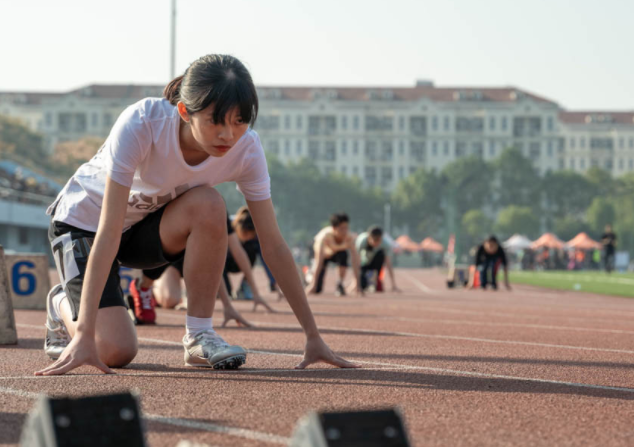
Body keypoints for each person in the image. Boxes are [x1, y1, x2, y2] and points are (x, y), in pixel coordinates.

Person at [39, 54, 359, 376]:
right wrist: (83, 333)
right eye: (215, 121)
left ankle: (199, 335)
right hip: (85, 224)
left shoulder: (246, 150)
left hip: (142, 230)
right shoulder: (143, 124)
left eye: (239, 121)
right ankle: (62, 304)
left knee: (210, 204)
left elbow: (273, 244)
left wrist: (313, 335)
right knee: (115, 350)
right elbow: (108, 230)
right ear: (184, 111)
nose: (228, 135)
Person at [305, 213, 361, 296]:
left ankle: (340, 283)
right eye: (341, 229)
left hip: (335, 253)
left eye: (346, 228)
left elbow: (355, 261)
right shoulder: (323, 237)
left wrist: (357, 283)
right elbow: (319, 261)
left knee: (343, 254)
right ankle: (309, 277)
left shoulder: (350, 237)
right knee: (317, 290)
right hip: (321, 255)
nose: (344, 231)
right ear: (334, 228)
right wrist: (313, 285)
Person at [355, 226, 400, 293]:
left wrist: (393, 284)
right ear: (369, 237)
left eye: (379, 240)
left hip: (375, 265)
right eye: (374, 240)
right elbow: (356, 262)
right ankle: (368, 281)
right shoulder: (361, 241)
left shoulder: (385, 244)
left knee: (381, 254)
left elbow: (388, 263)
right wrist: (356, 283)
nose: (376, 243)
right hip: (364, 264)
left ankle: (374, 279)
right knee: (362, 286)